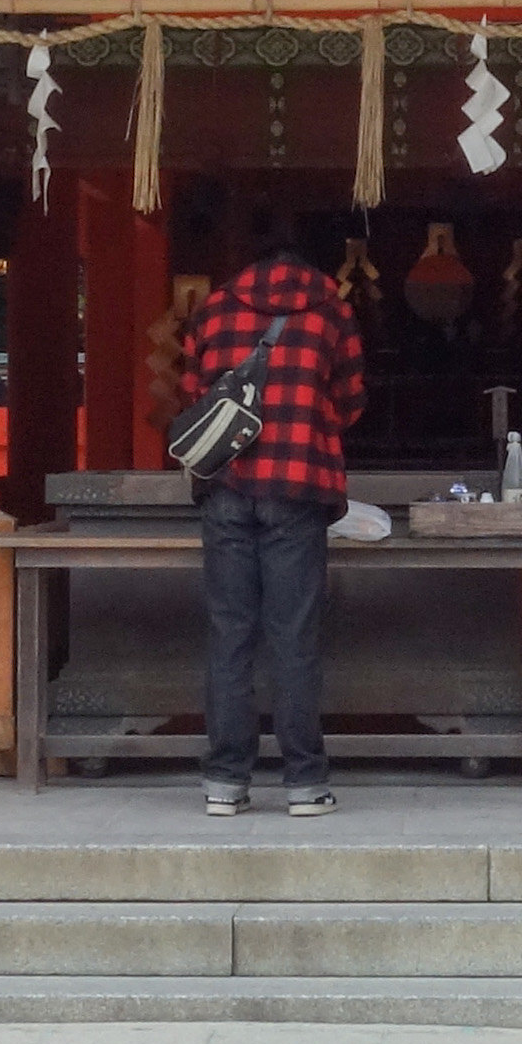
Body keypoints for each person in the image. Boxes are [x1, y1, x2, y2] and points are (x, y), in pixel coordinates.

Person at [172, 223, 365, 818]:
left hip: (226, 489)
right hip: (299, 490)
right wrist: (306, 423)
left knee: (230, 635)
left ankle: (226, 782)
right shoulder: (332, 312)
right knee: (293, 639)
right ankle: (304, 783)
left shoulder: (213, 310)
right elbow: (353, 401)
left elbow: (189, 394)